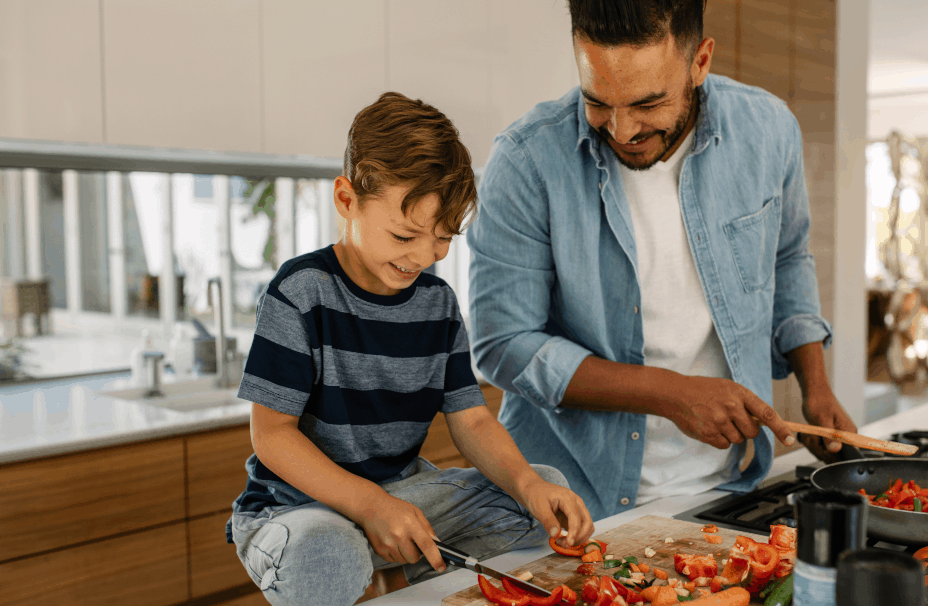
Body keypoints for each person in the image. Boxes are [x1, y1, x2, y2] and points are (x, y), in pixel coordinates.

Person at [467, 0, 858, 521]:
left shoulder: (768, 131)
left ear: (700, 62)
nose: (622, 130)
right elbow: (501, 346)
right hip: (567, 502)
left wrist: (816, 385)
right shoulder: (525, 161)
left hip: (727, 489)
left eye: (647, 104)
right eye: (597, 101)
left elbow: (787, 258)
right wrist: (671, 394)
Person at [226, 92, 594, 606]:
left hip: (401, 494)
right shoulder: (300, 291)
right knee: (328, 555)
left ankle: (409, 586)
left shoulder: (437, 304)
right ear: (347, 200)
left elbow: (472, 421)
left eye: (443, 237)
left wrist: (528, 485)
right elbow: (271, 436)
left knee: (540, 492)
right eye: (405, 235)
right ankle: (373, 567)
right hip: (296, 510)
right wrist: (367, 503)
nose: (425, 256)